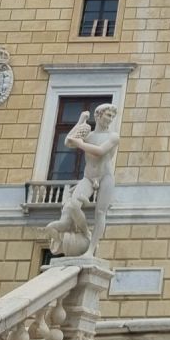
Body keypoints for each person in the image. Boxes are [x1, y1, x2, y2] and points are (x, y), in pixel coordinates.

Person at [64, 103, 120, 255]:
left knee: (100, 213)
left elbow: (100, 151)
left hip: (105, 177)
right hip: (88, 177)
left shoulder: (113, 136)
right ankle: (86, 234)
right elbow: (68, 141)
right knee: (74, 205)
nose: (110, 119)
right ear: (98, 115)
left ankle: (90, 249)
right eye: (108, 115)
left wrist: (80, 144)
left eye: (112, 116)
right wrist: (81, 121)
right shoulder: (88, 136)